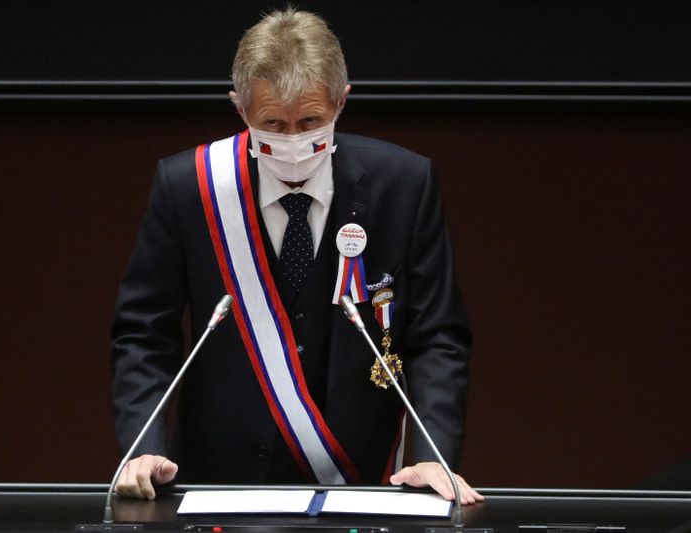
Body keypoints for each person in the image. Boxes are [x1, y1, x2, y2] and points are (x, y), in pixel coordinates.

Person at [110, 8, 482, 505]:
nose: (291, 141)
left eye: (310, 121)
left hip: (364, 480)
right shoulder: (190, 189)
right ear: (239, 109)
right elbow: (143, 333)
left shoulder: (405, 185)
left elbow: (437, 336)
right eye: (272, 124)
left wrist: (434, 456)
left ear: (341, 102)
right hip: (218, 484)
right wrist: (143, 446)